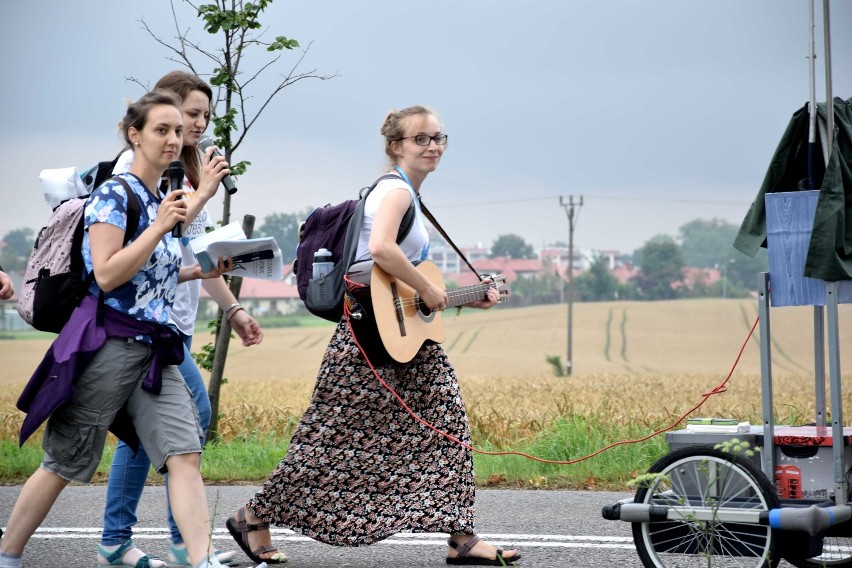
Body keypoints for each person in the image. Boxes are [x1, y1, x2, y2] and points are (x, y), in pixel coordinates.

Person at [223, 106, 520, 565]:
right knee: (331, 437)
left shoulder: (406, 196)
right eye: (421, 138)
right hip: (367, 335)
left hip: (401, 337)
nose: (433, 146)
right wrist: (427, 288)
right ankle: (253, 515)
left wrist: (463, 295)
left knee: (447, 426)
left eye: (439, 138)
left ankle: (462, 539)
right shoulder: (397, 193)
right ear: (396, 146)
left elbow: (397, 275)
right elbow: (381, 250)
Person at [0, 91, 252, 568]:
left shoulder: (161, 197)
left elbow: (149, 273)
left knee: (184, 454)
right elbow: (109, 275)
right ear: (134, 135)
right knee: (64, 462)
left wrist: (193, 272)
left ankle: (200, 561)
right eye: (162, 129)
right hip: (109, 347)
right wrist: (160, 228)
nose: (174, 139)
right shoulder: (115, 194)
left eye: (178, 130)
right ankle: (8, 555)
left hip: (153, 351)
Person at [97, 71, 262, 568]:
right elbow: (155, 236)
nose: (195, 125)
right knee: (173, 427)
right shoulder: (139, 168)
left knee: (172, 428)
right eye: (190, 114)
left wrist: (230, 306)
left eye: (203, 117)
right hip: (140, 325)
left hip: (174, 322)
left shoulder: (186, 170)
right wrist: (206, 193)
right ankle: (135, 540)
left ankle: (161, 540)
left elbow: (190, 250)